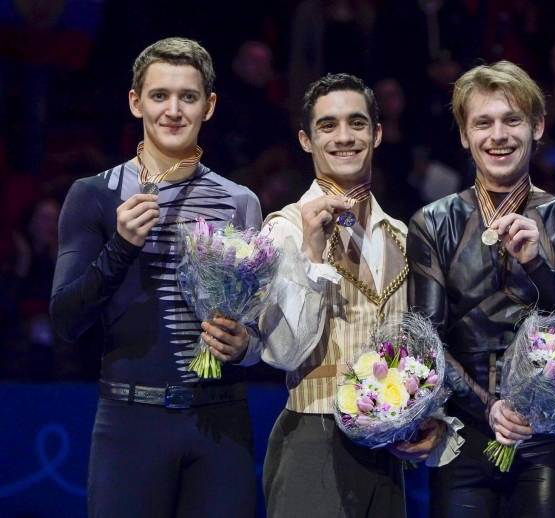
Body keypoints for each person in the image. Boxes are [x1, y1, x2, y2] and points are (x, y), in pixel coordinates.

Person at [50, 38, 262, 518]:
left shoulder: (239, 201)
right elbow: (66, 320)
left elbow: (262, 324)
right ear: (135, 102)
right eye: (159, 95)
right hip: (131, 424)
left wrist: (247, 345)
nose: (173, 110)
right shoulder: (95, 194)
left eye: (188, 97)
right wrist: (121, 246)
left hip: (222, 424)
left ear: (209, 106)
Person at [407, 61, 555, 517]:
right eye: (483, 122)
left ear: (537, 127)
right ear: (465, 134)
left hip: (549, 443)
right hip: (462, 440)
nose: (498, 135)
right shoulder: (432, 222)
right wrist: (489, 408)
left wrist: (537, 265)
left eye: (512, 120)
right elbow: (427, 341)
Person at [255, 73, 462, 518]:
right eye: (327, 126)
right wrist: (312, 255)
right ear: (306, 140)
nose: (344, 137)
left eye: (356, 123)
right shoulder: (284, 228)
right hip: (313, 438)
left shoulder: (401, 235)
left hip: (387, 451)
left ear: (377, 133)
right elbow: (281, 352)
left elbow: (416, 346)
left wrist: (431, 414)